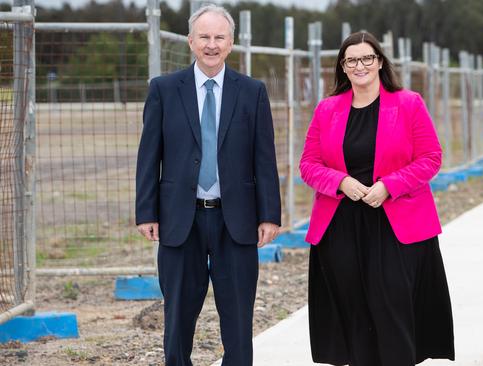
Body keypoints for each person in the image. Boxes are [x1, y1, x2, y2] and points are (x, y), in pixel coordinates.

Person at [135, 5, 281, 366]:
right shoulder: (165, 90)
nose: (211, 45)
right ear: (190, 41)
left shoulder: (252, 92)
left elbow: (264, 158)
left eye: (219, 38)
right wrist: (146, 211)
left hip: (237, 221)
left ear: (231, 43)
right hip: (180, 220)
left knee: (237, 318)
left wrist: (269, 215)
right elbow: (148, 155)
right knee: (178, 318)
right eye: (204, 37)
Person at [299, 31, 455, 365]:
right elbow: (308, 165)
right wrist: (340, 181)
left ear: (380, 61)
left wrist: (389, 185)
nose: (360, 65)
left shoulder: (408, 103)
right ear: (343, 66)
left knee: (392, 308)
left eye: (366, 58)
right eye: (351, 60)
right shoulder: (327, 110)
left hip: (395, 222)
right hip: (341, 225)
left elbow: (431, 157)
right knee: (353, 309)